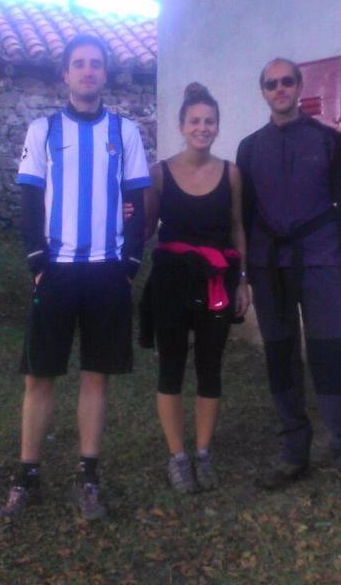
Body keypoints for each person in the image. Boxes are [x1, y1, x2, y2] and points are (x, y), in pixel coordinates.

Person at [0, 33, 151, 520]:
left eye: (96, 64)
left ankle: (88, 476)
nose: (88, 71)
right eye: (79, 63)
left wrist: (129, 266)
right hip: (57, 272)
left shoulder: (125, 132)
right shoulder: (42, 130)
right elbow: (28, 200)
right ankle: (27, 476)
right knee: (39, 375)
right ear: (65, 74)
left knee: (96, 377)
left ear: (105, 74)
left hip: (107, 272)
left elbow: (138, 203)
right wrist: (36, 263)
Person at [234, 57, 341, 493]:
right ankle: (294, 451)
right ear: (263, 91)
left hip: (320, 263)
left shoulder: (329, 142)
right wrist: (243, 275)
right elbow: (243, 216)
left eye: (286, 81)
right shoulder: (249, 149)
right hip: (268, 268)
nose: (279, 89)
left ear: (299, 86)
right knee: (280, 357)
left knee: (331, 355)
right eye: (271, 83)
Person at [140, 82, 249, 494]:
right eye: (195, 121)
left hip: (217, 281)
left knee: (210, 367)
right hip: (171, 281)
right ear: (182, 126)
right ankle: (178, 457)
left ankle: (203, 453)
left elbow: (237, 227)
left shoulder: (232, 174)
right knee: (171, 366)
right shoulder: (158, 174)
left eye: (209, 121)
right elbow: (144, 228)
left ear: (217, 126)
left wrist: (243, 281)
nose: (202, 128)